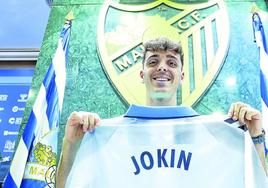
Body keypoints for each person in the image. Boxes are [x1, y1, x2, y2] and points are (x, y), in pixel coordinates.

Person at [56, 37, 267, 187]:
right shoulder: (107, 135)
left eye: (171, 63)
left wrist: (256, 137)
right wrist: (71, 144)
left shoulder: (215, 134)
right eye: (153, 62)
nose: (162, 68)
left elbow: (256, 183)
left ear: (181, 75)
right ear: (142, 73)